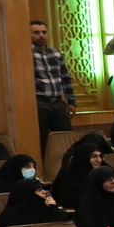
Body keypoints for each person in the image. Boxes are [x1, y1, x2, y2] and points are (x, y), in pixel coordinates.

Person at [29, 20, 73, 151]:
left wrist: (71, 101)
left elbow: (65, 77)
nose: (41, 35)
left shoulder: (55, 53)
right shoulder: (26, 54)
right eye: (36, 32)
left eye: (44, 32)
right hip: (39, 103)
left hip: (58, 103)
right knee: (42, 141)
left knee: (66, 139)